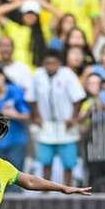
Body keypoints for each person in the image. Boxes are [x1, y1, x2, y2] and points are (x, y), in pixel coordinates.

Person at [27, 49, 86, 186]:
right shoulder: (38, 75)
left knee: (69, 162)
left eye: (54, 63)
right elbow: (31, 98)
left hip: (65, 124)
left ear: (59, 63)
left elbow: (78, 98)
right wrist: (36, 116)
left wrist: (73, 117)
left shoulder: (67, 75)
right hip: (46, 124)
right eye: (47, 63)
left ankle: (68, 188)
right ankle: (45, 190)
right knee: (45, 161)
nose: (50, 66)